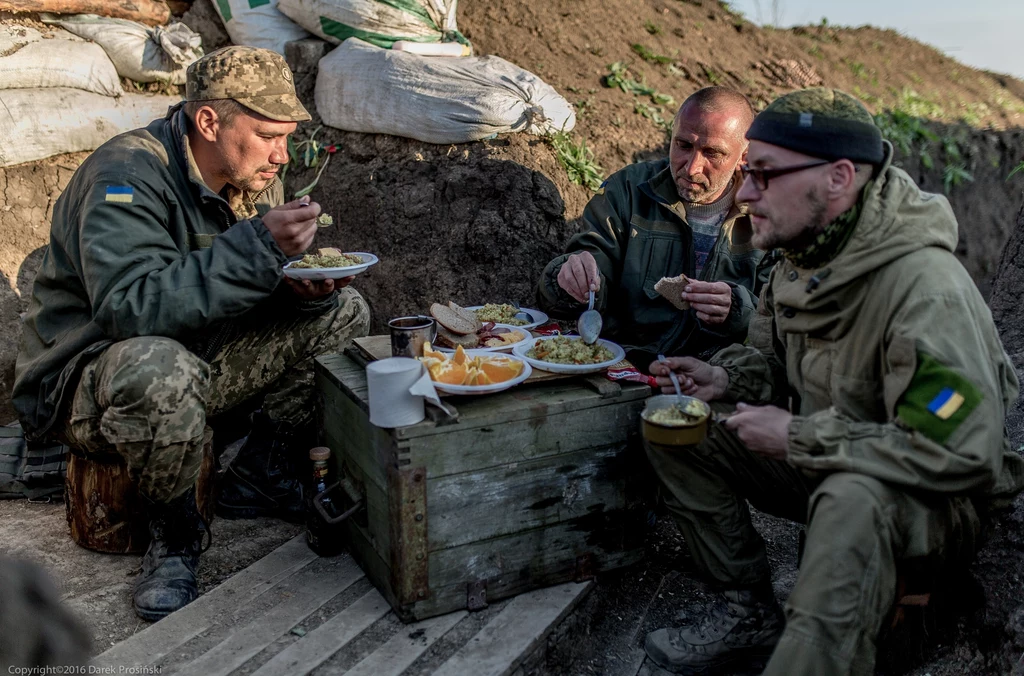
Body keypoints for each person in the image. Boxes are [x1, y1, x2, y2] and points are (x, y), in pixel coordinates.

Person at [642, 87, 1024, 675]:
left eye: (764, 175)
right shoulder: (801, 256)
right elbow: (772, 364)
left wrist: (799, 439)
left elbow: (957, 449)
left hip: (925, 499)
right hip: (829, 454)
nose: (743, 193)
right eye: (747, 174)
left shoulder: (924, 291)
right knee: (682, 430)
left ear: (840, 178)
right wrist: (721, 377)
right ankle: (748, 611)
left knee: (853, 499)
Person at [13, 46, 370, 621]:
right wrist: (258, 250)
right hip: (89, 383)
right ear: (209, 121)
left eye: (287, 137)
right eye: (268, 135)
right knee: (160, 368)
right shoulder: (126, 174)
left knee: (342, 311)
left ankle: (258, 473)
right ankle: (175, 535)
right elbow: (130, 309)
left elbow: (230, 286)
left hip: (192, 354)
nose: (282, 155)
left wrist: (294, 290)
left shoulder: (251, 172)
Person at [537, 87, 774, 371]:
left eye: (713, 153)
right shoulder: (628, 190)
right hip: (625, 365)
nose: (692, 167)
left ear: (744, 156)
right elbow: (583, 275)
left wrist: (738, 311)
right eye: (683, 145)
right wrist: (570, 279)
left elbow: (786, 324)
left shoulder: (771, 214)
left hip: (719, 377)